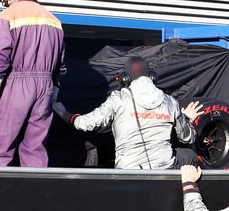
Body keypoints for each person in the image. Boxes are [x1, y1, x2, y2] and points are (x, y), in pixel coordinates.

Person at [0, 0, 66, 167]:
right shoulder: (54, 20)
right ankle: (35, 196)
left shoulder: (6, 17)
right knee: (36, 149)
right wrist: (53, 90)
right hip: (45, 88)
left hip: (17, 85)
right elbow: (60, 64)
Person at [54, 57, 203, 169]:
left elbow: (84, 124)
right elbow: (187, 138)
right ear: (152, 77)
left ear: (125, 79)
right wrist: (187, 118)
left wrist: (63, 112)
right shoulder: (170, 102)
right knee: (190, 156)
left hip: (128, 168)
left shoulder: (118, 99)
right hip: (164, 167)